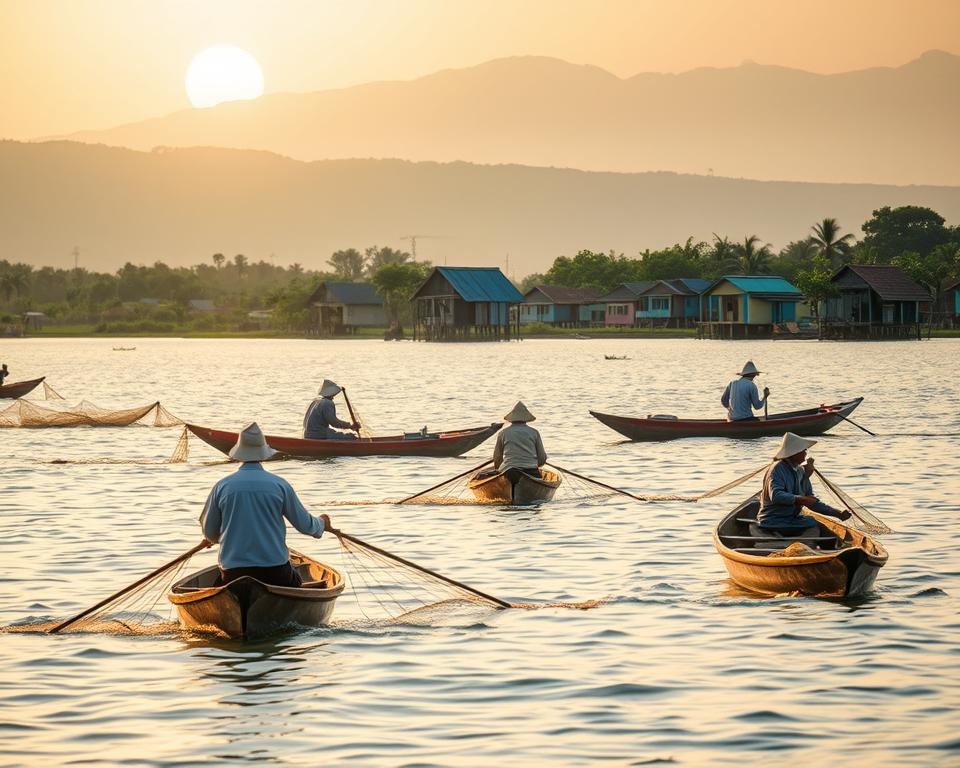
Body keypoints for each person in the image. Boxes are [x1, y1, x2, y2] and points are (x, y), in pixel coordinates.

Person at [200, 421, 334, 587]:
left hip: (233, 573)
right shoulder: (279, 485)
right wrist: (322, 523)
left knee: (219, 586)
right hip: (275, 571)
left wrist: (218, 537)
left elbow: (210, 533)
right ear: (263, 453)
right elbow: (305, 525)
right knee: (295, 580)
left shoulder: (222, 487)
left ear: (239, 453)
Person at [757, 432, 851, 533]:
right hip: (772, 521)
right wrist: (801, 499)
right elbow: (776, 496)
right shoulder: (777, 469)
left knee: (822, 528)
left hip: (791, 519)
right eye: (803, 450)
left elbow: (812, 501)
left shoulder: (800, 470)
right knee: (817, 527)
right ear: (794, 453)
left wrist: (837, 513)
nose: (806, 453)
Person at [492, 401, 548, 487]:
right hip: (530, 470)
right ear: (526, 418)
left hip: (508, 470)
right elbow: (542, 458)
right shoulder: (534, 432)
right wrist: (534, 464)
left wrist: (498, 470)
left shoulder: (503, 433)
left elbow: (497, 457)